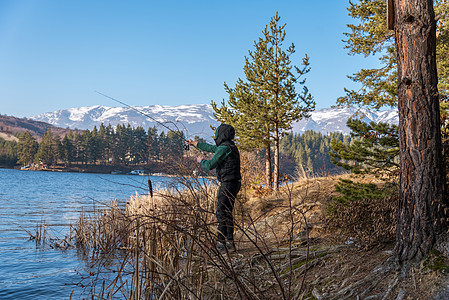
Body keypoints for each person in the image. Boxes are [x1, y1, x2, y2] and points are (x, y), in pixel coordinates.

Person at [186, 124, 241, 253]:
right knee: (227, 213)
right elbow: (212, 148)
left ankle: (221, 245)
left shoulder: (223, 148)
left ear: (220, 135)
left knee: (221, 213)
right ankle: (230, 243)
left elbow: (210, 165)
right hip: (234, 183)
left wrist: (201, 161)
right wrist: (195, 143)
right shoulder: (230, 146)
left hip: (228, 184)